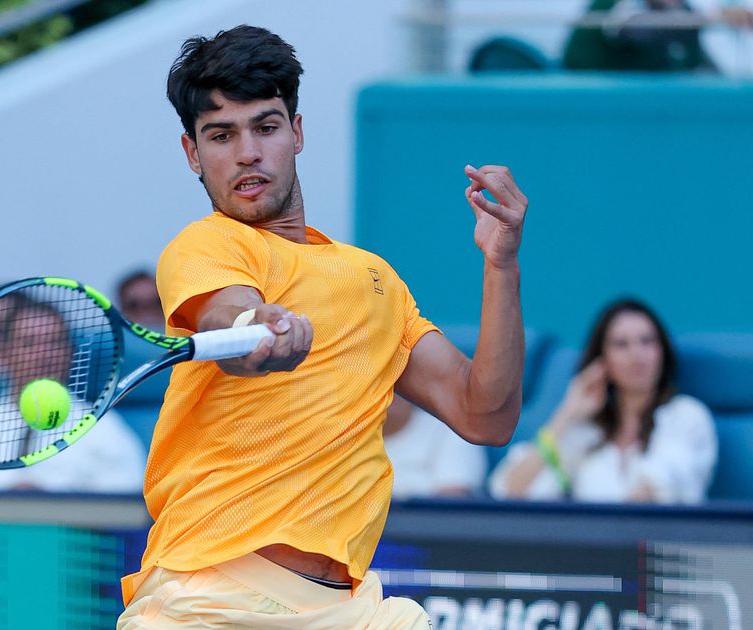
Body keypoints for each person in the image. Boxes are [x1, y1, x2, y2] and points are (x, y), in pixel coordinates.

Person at [118, 25, 529, 628]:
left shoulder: (374, 281)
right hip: (210, 598)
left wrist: (501, 265)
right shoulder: (207, 244)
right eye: (221, 135)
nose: (247, 153)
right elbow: (228, 316)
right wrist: (260, 328)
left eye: (265, 126)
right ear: (192, 154)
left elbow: (485, 415)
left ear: (297, 133)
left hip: (346, 610)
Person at [488, 299, 717, 504]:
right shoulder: (585, 434)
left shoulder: (686, 416)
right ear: (602, 360)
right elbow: (509, 491)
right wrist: (567, 413)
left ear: (662, 352)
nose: (637, 354)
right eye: (621, 344)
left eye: (647, 341)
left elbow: (663, 481)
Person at [0, 299, 145, 492]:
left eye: (55, 342)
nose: (43, 355)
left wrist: (46, 503)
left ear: (71, 353)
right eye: (29, 343)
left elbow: (126, 504)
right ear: (4, 354)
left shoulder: (101, 426)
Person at [562, 0, 753, 73]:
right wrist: (714, 18)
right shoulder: (612, 5)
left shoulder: (685, 13)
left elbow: (699, 65)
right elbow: (637, 28)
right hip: (590, 115)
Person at [384, 394, 487, 499]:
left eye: (398, 380)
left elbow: (453, 502)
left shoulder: (451, 429)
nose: (391, 390)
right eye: (377, 381)